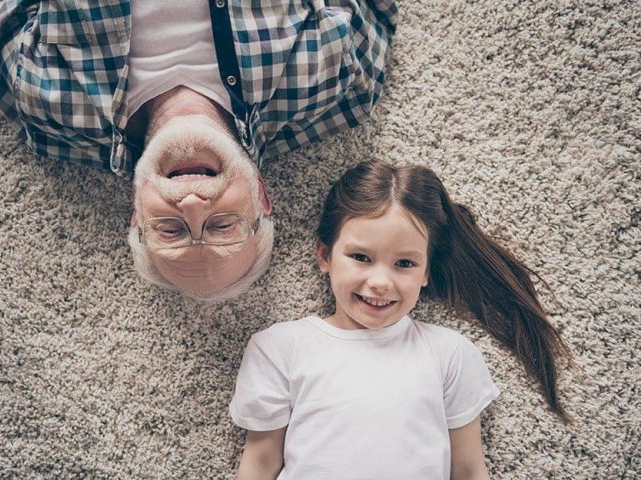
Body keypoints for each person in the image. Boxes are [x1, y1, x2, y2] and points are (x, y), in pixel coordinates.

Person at [0, 0, 396, 300]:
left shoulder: (48, 114)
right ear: (261, 196)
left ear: (137, 213)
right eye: (222, 225)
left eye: (170, 231)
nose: (191, 205)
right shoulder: (339, 90)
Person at [229, 160, 571, 479]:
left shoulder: (449, 354)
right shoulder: (280, 347)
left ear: (425, 272)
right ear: (324, 255)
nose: (380, 282)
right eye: (361, 257)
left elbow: (467, 469)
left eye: (404, 264)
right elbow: (260, 461)